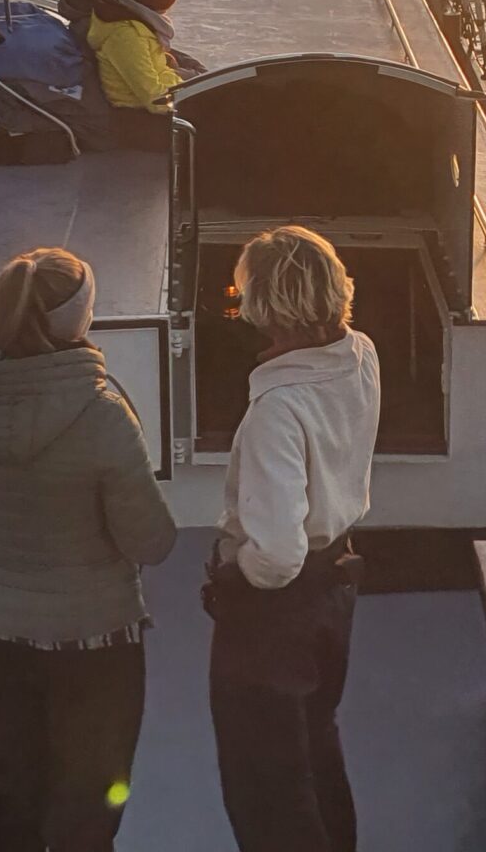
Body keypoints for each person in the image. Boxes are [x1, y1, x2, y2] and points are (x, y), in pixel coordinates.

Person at [0, 248, 177, 852]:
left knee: (8, 807)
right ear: (78, 319)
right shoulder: (102, 412)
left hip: (1, 637)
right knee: (89, 812)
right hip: (97, 647)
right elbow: (152, 543)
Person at [205, 226, 381, 852]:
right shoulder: (361, 354)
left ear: (263, 307)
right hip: (335, 588)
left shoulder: (275, 410)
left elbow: (278, 556)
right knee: (314, 745)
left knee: (267, 791)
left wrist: (234, 568)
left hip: (276, 614)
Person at [88, 0, 189, 113]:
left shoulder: (137, 17)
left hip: (159, 95)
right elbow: (155, 99)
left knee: (200, 75)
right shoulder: (126, 35)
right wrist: (191, 101)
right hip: (135, 114)